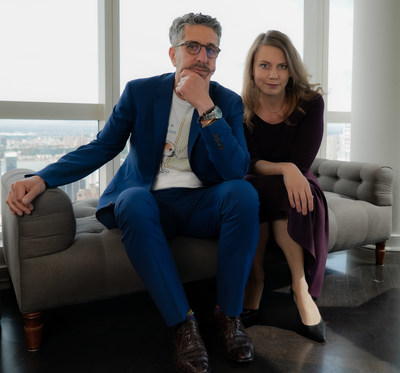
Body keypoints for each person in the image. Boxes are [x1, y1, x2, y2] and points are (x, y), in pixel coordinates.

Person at [6, 13, 260, 373]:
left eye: (211, 50)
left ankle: (229, 316)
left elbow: (236, 170)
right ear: (173, 54)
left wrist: (205, 107)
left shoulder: (227, 103)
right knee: (133, 200)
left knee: (243, 194)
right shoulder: (140, 92)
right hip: (149, 202)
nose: (202, 57)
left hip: (201, 204)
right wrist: (44, 177)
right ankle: (183, 324)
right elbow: (102, 146)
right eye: (192, 47)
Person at [240, 30, 329, 343]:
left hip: (299, 180)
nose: (273, 74)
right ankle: (256, 279)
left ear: (292, 69)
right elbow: (250, 161)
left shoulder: (311, 103)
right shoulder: (240, 107)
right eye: (264, 66)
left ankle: (299, 286)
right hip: (260, 178)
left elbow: (302, 162)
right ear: (252, 69)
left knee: (291, 195)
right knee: (247, 194)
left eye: (281, 66)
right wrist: (284, 168)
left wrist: (292, 170)